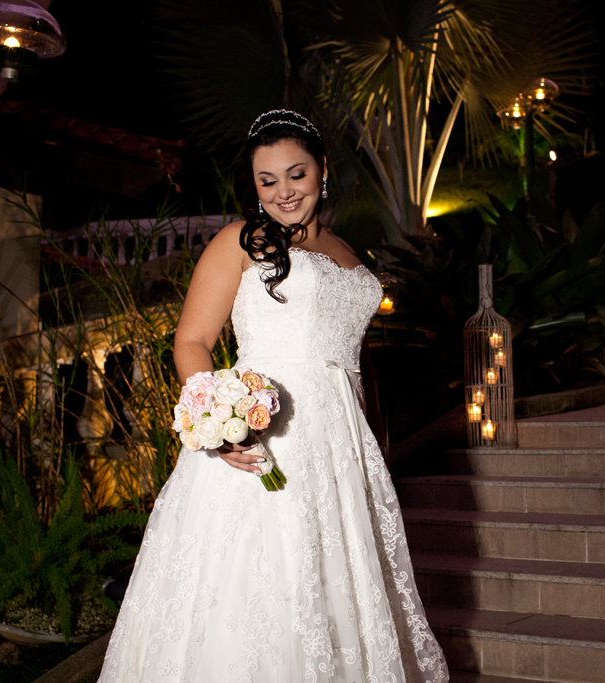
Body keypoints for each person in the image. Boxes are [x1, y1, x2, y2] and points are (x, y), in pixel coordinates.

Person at [98, 110, 449, 682]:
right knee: (260, 590)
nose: (284, 191)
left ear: (322, 170)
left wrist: (372, 446)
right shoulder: (240, 240)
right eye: (268, 180)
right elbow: (192, 341)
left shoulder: (346, 250)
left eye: (296, 174)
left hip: (341, 449)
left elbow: (352, 364)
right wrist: (223, 423)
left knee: (337, 590)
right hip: (266, 438)